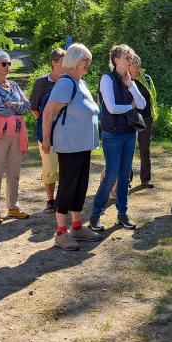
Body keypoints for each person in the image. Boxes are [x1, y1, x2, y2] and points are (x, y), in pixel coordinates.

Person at [40, 43, 102, 251]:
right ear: (75, 60)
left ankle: (76, 226)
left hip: (82, 144)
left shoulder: (80, 82)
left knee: (80, 185)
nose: (88, 64)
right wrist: (46, 139)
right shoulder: (66, 83)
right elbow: (48, 112)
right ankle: (60, 232)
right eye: (86, 60)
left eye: (89, 61)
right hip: (69, 145)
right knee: (67, 186)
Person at [89, 44, 146, 231]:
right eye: (127, 58)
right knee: (111, 175)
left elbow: (143, 104)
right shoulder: (107, 79)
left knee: (124, 176)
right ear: (116, 60)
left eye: (131, 58)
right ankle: (95, 214)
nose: (130, 61)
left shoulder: (129, 79)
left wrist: (131, 86)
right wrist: (130, 107)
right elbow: (111, 108)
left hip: (130, 134)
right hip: (112, 134)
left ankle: (122, 214)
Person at [0, 50, 30, 224]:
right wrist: (17, 107)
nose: (8, 66)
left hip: (16, 132)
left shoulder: (15, 85)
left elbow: (27, 106)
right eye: (4, 63)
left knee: (14, 172)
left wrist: (14, 105)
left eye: (9, 63)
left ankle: (13, 207)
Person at [30, 48, 66, 212]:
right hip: (47, 134)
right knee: (50, 167)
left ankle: (63, 197)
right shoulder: (41, 83)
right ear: (53, 63)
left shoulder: (69, 81)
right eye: (63, 62)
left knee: (66, 167)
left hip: (67, 133)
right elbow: (34, 108)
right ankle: (50, 200)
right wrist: (46, 122)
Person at [130, 53, 156, 189]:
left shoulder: (146, 79)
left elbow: (153, 97)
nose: (135, 64)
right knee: (128, 149)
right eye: (133, 62)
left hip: (145, 118)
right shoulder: (125, 78)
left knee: (145, 149)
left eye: (137, 62)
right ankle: (126, 179)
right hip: (129, 118)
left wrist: (153, 115)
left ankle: (145, 179)